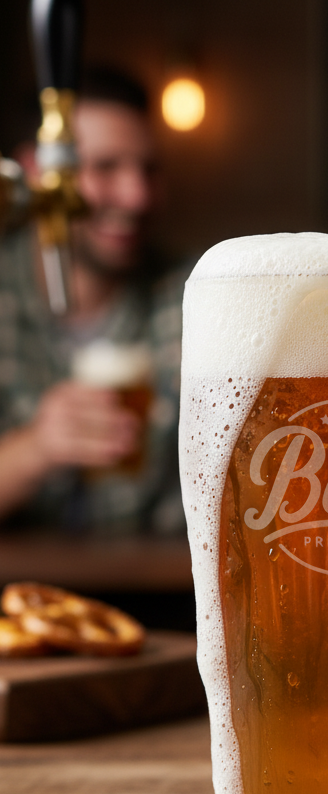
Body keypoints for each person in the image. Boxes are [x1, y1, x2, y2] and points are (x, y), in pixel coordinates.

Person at [0, 68, 186, 534]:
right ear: (38, 175)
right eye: (105, 168)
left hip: (163, 597)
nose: (136, 195)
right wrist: (36, 449)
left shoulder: (195, 297)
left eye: (148, 170)